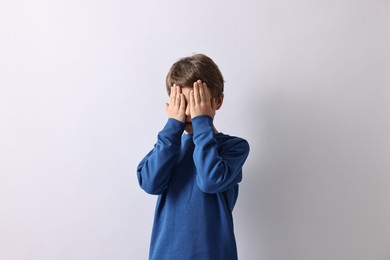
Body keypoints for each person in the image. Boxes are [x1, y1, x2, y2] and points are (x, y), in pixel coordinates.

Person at [136, 53, 250, 260]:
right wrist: (172, 127)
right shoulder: (168, 147)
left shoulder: (234, 147)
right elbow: (150, 183)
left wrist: (202, 123)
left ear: (218, 101)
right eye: (182, 103)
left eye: (197, 102)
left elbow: (210, 180)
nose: (189, 113)